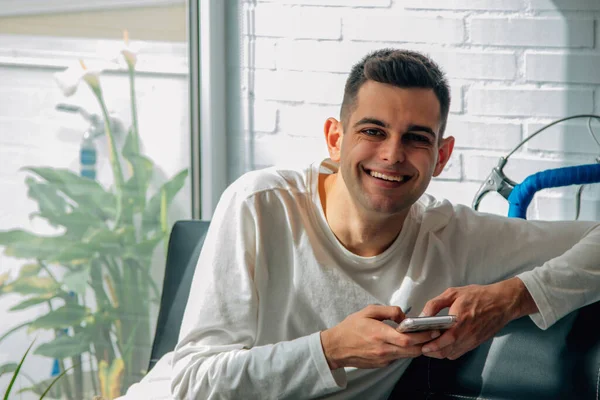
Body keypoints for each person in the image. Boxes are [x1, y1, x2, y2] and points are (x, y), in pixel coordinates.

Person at [119, 48, 600, 400]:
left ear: (442, 155)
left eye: (416, 138)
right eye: (373, 131)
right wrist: (330, 350)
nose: (392, 155)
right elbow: (192, 383)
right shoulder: (260, 204)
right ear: (335, 137)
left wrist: (513, 296)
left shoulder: (451, 234)